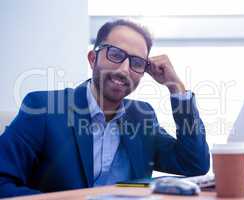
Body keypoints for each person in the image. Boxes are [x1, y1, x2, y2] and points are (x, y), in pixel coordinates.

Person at [0, 19, 210, 197]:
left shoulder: (142, 116)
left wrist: (176, 88)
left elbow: (193, 164)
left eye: (137, 62)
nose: (124, 69)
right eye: (115, 54)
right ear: (93, 59)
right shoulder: (43, 108)